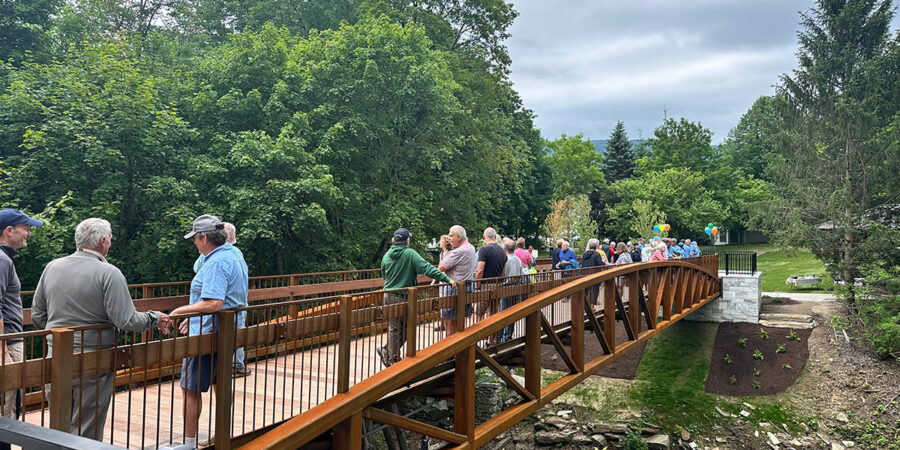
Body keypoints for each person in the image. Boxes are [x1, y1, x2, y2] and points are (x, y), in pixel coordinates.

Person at [31, 218, 171, 440]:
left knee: (58, 423)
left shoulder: (52, 267)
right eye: (111, 238)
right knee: (87, 426)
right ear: (103, 241)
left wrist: (55, 336)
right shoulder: (109, 273)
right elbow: (127, 320)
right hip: (95, 359)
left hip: (56, 355)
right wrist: (154, 317)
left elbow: (37, 315)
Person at [170, 214, 248, 448]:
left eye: (195, 238)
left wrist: (179, 312)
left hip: (208, 336)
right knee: (222, 384)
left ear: (204, 238)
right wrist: (193, 317)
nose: (194, 242)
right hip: (227, 332)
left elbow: (214, 303)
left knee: (190, 389)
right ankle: (223, 435)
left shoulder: (215, 262)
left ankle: (189, 444)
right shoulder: (234, 255)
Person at [377, 228, 453, 366]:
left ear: (395, 240)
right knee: (406, 329)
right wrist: (447, 279)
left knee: (395, 328)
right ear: (407, 240)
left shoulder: (387, 255)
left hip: (388, 295)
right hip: (403, 296)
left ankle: (389, 355)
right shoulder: (410, 253)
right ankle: (392, 360)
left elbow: (384, 275)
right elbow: (427, 268)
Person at [0, 209, 43, 434]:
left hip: (8, 341)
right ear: (9, 231)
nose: (28, 233)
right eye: (26, 228)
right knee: (8, 414)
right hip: (8, 342)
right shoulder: (1, 260)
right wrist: (3, 350)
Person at [194, 222, 251, 378]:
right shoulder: (234, 254)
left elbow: (197, 269)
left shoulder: (218, 259)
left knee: (228, 339)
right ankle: (235, 365)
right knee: (236, 335)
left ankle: (233, 366)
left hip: (222, 311)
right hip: (237, 306)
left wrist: (182, 311)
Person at [438, 225, 476, 336]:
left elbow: (441, 267)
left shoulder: (458, 251)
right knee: (458, 321)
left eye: (451, 235)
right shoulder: (471, 247)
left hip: (454, 288)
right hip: (465, 287)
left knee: (448, 321)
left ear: (459, 237)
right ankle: (457, 349)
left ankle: (450, 349)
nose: (449, 238)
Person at [474, 228, 507, 327]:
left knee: (478, 313)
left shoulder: (483, 250)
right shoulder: (502, 251)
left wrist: (477, 285)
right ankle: (490, 340)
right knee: (492, 313)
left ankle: (476, 338)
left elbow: (479, 270)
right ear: (495, 237)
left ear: (484, 237)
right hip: (498, 284)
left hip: (486, 285)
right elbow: (503, 272)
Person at [498, 238, 526, 342]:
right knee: (511, 313)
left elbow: (502, 274)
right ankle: (508, 336)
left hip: (506, 288)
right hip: (516, 288)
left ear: (504, 248)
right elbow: (522, 273)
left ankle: (499, 337)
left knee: (502, 313)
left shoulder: (505, 259)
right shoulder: (518, 259)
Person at [580, 239, 606, 305]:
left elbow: (581, 263)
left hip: (584, 273)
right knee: (594, 290)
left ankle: (585, 305)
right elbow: (600, 264)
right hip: (594, 274)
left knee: (586, 289)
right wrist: (604, 263)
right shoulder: (597, 254)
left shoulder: (584, 254)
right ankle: (592, 306)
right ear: (596, 247)